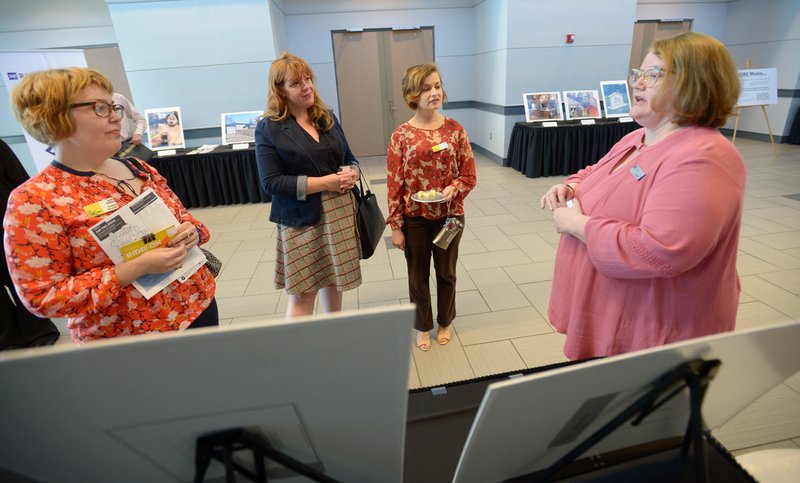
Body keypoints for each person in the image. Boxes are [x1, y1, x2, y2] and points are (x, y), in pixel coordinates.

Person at [540, 32, 745, 360]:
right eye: (637, 74)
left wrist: (577, 224)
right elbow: (596, 173)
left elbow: (662, 250)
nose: (637, 84)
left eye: (653, 75)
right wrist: (573, 187)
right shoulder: (639, 137)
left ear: (697, 83)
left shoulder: (703, 156)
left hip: (656, 331)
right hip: (616, 313)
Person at [5, 67, 218, 343]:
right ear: (55, 116)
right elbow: (43, 297)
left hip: (198, 306)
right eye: (99, 108)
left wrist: (191, 232)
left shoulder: (138, 168)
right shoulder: (35, 200)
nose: (116, 116)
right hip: (128, 339)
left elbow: (189, 221)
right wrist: (134, 268)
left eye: (112, 106)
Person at [255, 53, 361, 319]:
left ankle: (331, 333)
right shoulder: (269, 128)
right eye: (296, 83)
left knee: (334, 279)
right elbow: (271, 182)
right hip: (301, 220)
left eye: (308, 79)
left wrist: (354, 172)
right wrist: (326, 182)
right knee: (303, 293)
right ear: (280, 90)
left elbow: (349, 157)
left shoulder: (327, 117)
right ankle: (301, 352)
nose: (307, 87)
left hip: (339, 212)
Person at [386, 63, 477, 352]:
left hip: (450, 217)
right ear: (412, 94)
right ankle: (423, 325)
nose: (434, 92)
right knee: (417, 276)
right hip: (415, 219)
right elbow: (394, 184)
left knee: (446, 273)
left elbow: (469, 174)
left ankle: (445, 321)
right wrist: (396, 227)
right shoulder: (401, 135)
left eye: (437, 86)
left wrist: (454, 188)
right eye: (426, 88)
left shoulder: (455, 130)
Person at [0, 139, 61, 350]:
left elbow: (18, 180)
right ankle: (7, 337)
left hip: (7, 222)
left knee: (19, 278)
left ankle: (39, 332)